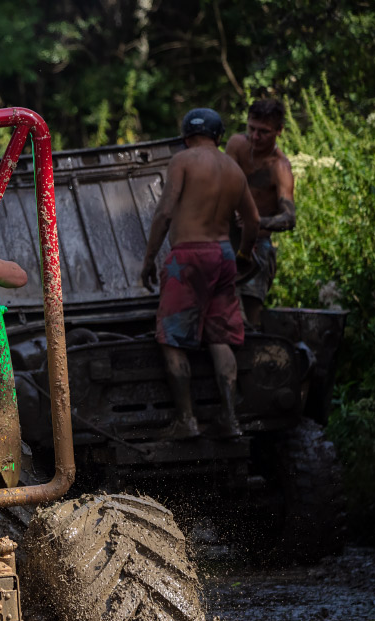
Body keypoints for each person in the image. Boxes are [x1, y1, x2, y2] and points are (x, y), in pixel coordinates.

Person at [140, 108, 259, 439]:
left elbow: (165, 212)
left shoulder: (184, 160)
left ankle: (186, 419)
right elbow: (253, 221)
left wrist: (149, 259)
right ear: (219, 136)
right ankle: (230, 419)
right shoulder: (234, 169)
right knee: (220, 336)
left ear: (185, 136)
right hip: (223, 256)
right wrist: (245, 254)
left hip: (188, 256)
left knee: (171, 336)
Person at [225, 98, 295, 327]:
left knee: (251, 317)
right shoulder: (236, 145)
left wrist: (255, 221)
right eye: (251, 128)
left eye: (263, 132)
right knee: (221, 307)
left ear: (279, 131)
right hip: (225, 240)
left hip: (258, 246)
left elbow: (288, 218)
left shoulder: (280, 167)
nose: (255, 137)